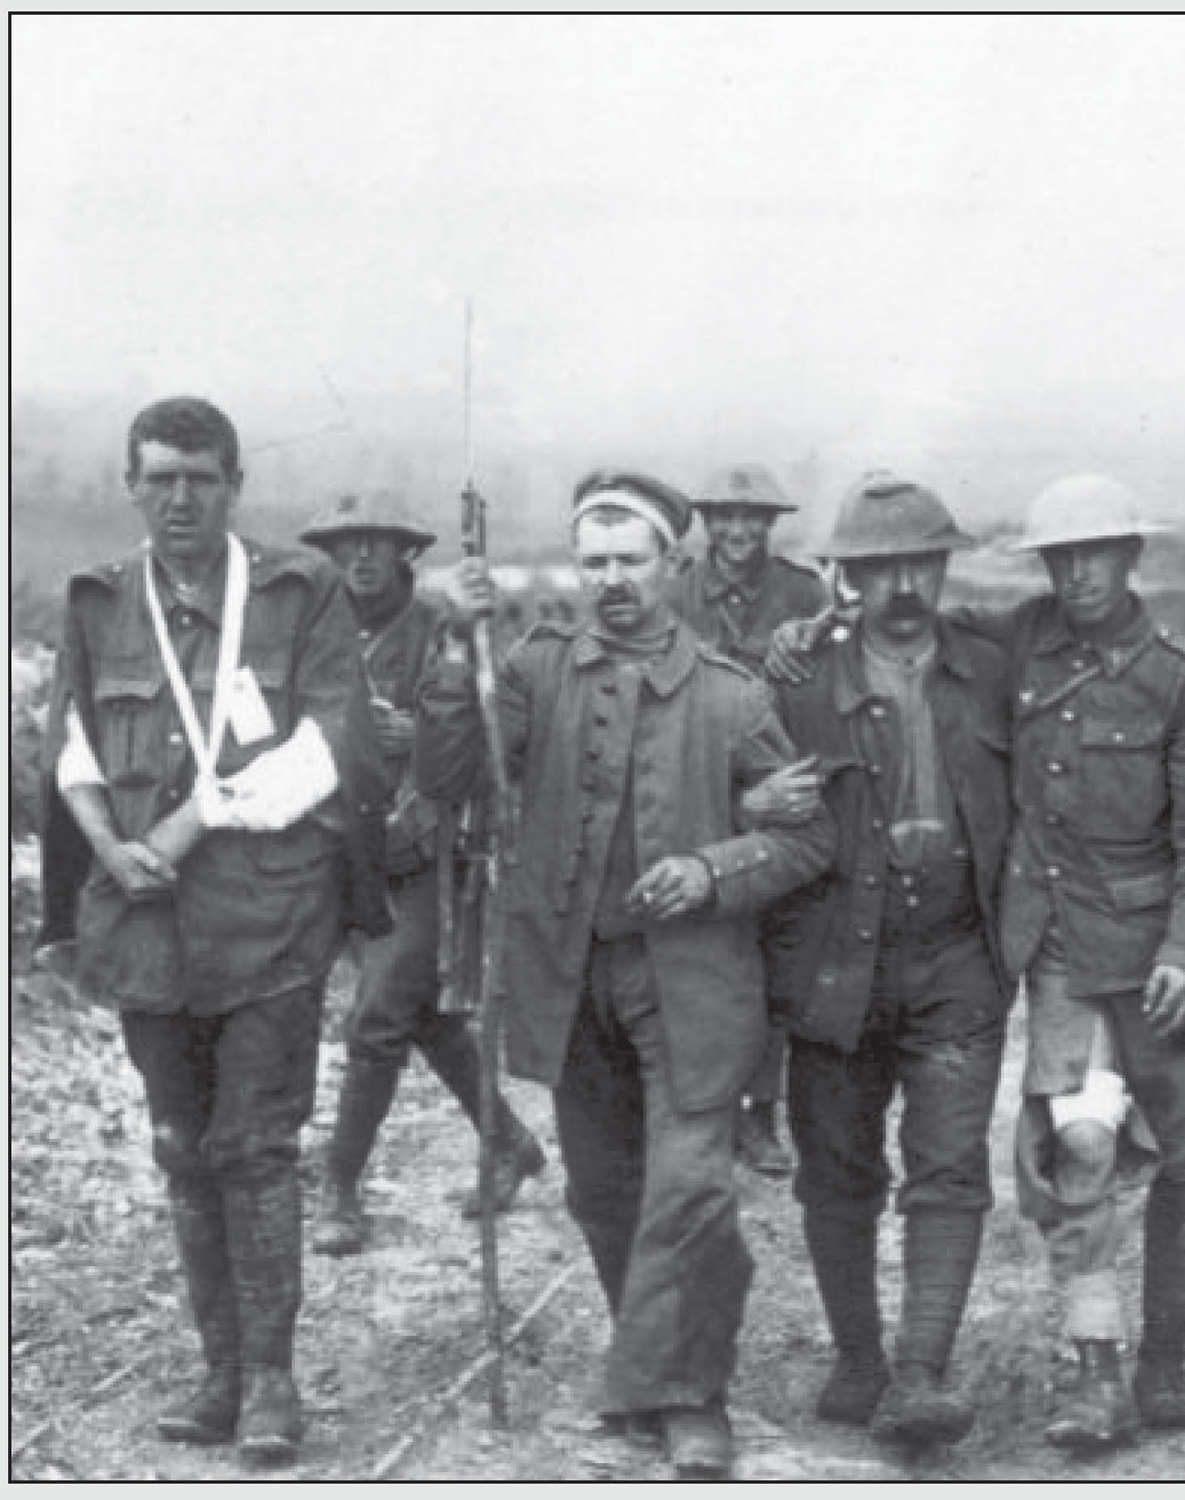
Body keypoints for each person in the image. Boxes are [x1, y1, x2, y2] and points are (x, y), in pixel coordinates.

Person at [412, 468, 831, 1479]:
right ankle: (647, 1369)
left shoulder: (735, 697)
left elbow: (808, 840)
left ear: (673, 566)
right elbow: (447, 778)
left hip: (689, 985)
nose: (610, 581)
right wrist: (445, 654)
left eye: (629, 562)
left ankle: (693, 1399)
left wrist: (712, 868)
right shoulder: (531, 670)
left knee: (683, 1191)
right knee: (603, 1194)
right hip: (566, 976)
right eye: (591, 562)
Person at [43, 397, 368, 1462]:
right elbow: (75, 748)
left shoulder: (298, 591)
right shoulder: (96, 600)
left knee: (256, 1146)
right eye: (159, 478)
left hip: (270, 915)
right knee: (183, 1148)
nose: (179, 497)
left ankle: (273, 1381)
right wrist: (108, 844)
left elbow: (327, 746)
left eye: (200, 477)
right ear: (131, 486)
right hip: (142, 923)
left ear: (235, 486)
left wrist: (179, 830)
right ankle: (219, 1369)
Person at [975, 475, 1185, 1452]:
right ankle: (1096, 1372)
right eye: (1060, 556)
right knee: (1078, 1152)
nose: (1077, 573)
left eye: (1095, 552)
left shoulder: (1179, 677)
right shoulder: (1016, 648)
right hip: (1059, 956)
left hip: (1158, 961)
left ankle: (1163, 1362)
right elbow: (916, 647)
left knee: (1182, 1155)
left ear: (1132, 555)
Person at [754, 473, 1014, 1446]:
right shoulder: (793, 676)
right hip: (830, 965)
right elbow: (735, 770)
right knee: (836, 1172)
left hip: (957, 961)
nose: (903, 584)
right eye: (878, 567)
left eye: (920, 562)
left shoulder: (992, 666)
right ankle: (858, 1354)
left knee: (949, 1168)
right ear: (847, 579)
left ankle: (920, 1372)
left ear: (943, 567)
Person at [300, 491, 546, 1257]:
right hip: (342, 846)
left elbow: (496, 742)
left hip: (427, 850)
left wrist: (422, 737)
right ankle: (508, 1143)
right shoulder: (319, 631)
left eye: (376, 543)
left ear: (406, 552)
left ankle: (339, 1189)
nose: (360, 558)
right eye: (345, 546)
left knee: (376, 1019)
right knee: (422, 1015)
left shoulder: (447, 627)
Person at [669, 462, 830, 1177]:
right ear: (705, 522)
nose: (738, 531)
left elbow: (830, 688)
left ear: (772, 524)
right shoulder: (671, 596)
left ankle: (760, 1114)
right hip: (693, 791)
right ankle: (703, 1109)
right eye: (724, 517)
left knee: (772, 959)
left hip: (780, 790)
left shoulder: (803, 593)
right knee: (699, 960)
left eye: (754, 518)